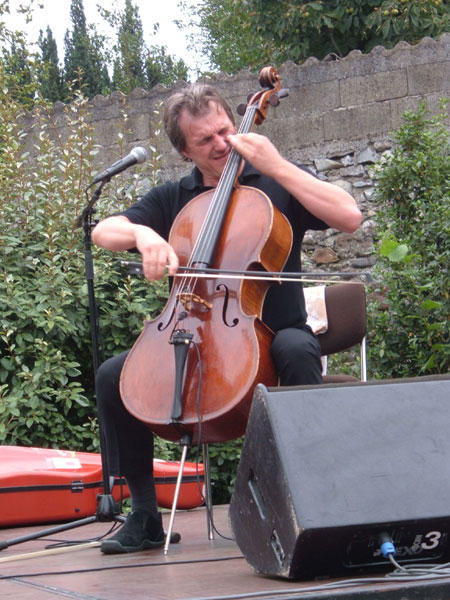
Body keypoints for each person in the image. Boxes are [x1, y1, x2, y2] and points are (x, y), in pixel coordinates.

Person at [92, 83, 362, 554]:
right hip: (197, 332)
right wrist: (141, 235)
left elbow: (349, 216)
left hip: (277, 332)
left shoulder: (275, 181)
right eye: (204, 141)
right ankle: (144, 515)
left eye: (223, 131)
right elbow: (103, 229)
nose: (221, 144)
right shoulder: (177, 197)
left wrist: (276, 164)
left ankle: (318, 499)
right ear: (183, 151)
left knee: (297, 350)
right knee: (115, 376)